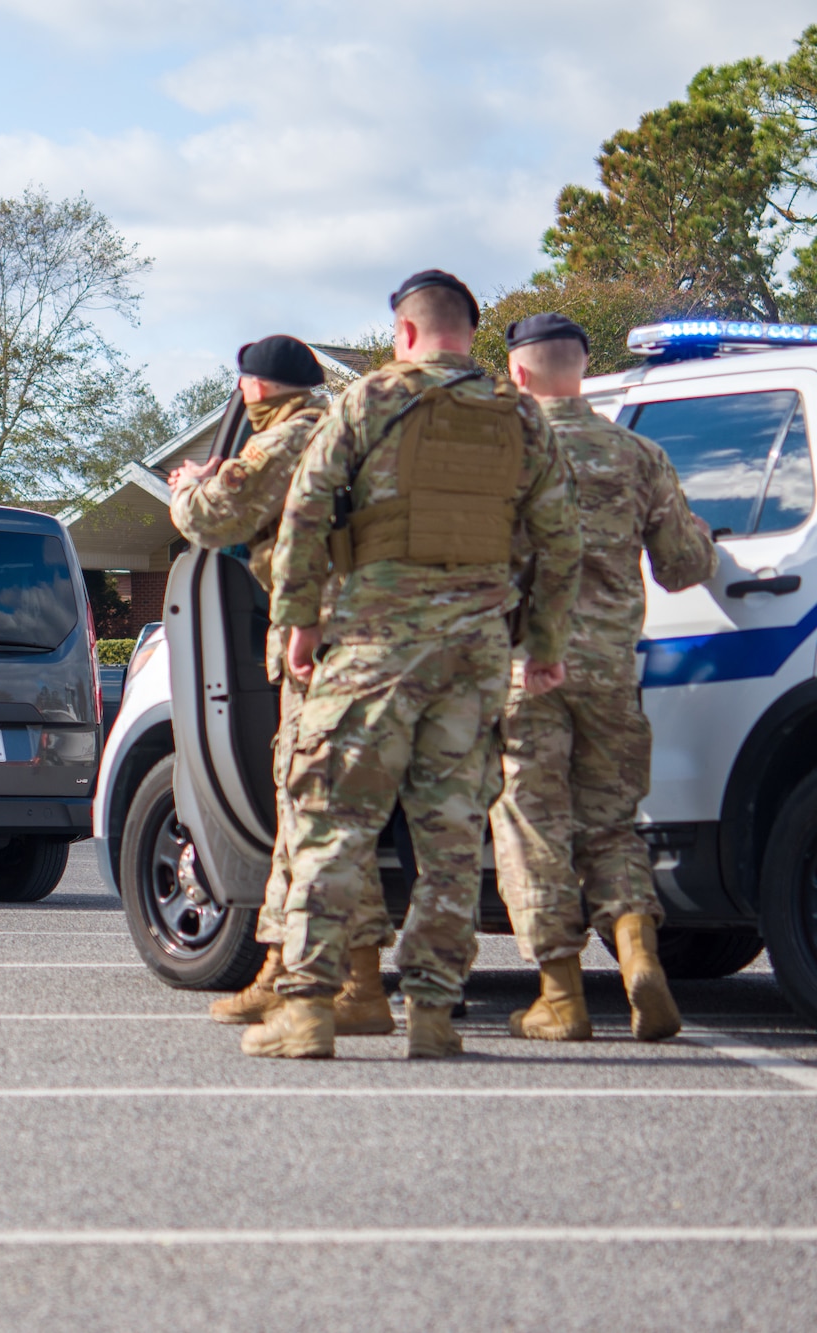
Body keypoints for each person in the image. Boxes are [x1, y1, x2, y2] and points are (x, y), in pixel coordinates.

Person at [252, 269, 583, 1059]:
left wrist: (297, 622)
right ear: (470, 335)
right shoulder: (522, 418)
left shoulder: (368, 400)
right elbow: (563, 539)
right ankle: (432, 1016)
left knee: (334, 822)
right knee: (452, 841)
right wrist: (542, 644)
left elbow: (304, 510)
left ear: (405, 333)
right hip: (473, 658)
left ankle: (306, 1012)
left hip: (373, 647)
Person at [488, 313, 717, 1043]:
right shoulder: (638, 453)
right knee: (613, 823)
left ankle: (560, 995)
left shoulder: (500, 457)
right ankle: (638, 956)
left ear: (518, 373)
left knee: (533, 824)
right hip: (613, 672)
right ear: (582, 368)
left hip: (529, 671)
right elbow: (684, 563)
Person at [167, 335, 396, 1036]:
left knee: (317, 812)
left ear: (258, 387)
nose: (241, 391)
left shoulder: (292, 436)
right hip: (362, 640)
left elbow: (213, 517)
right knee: (306, 813)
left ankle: (355, 984)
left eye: (243, 381)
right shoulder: (333, 431)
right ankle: (279, 968)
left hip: (323, 643)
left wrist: (187, 488)